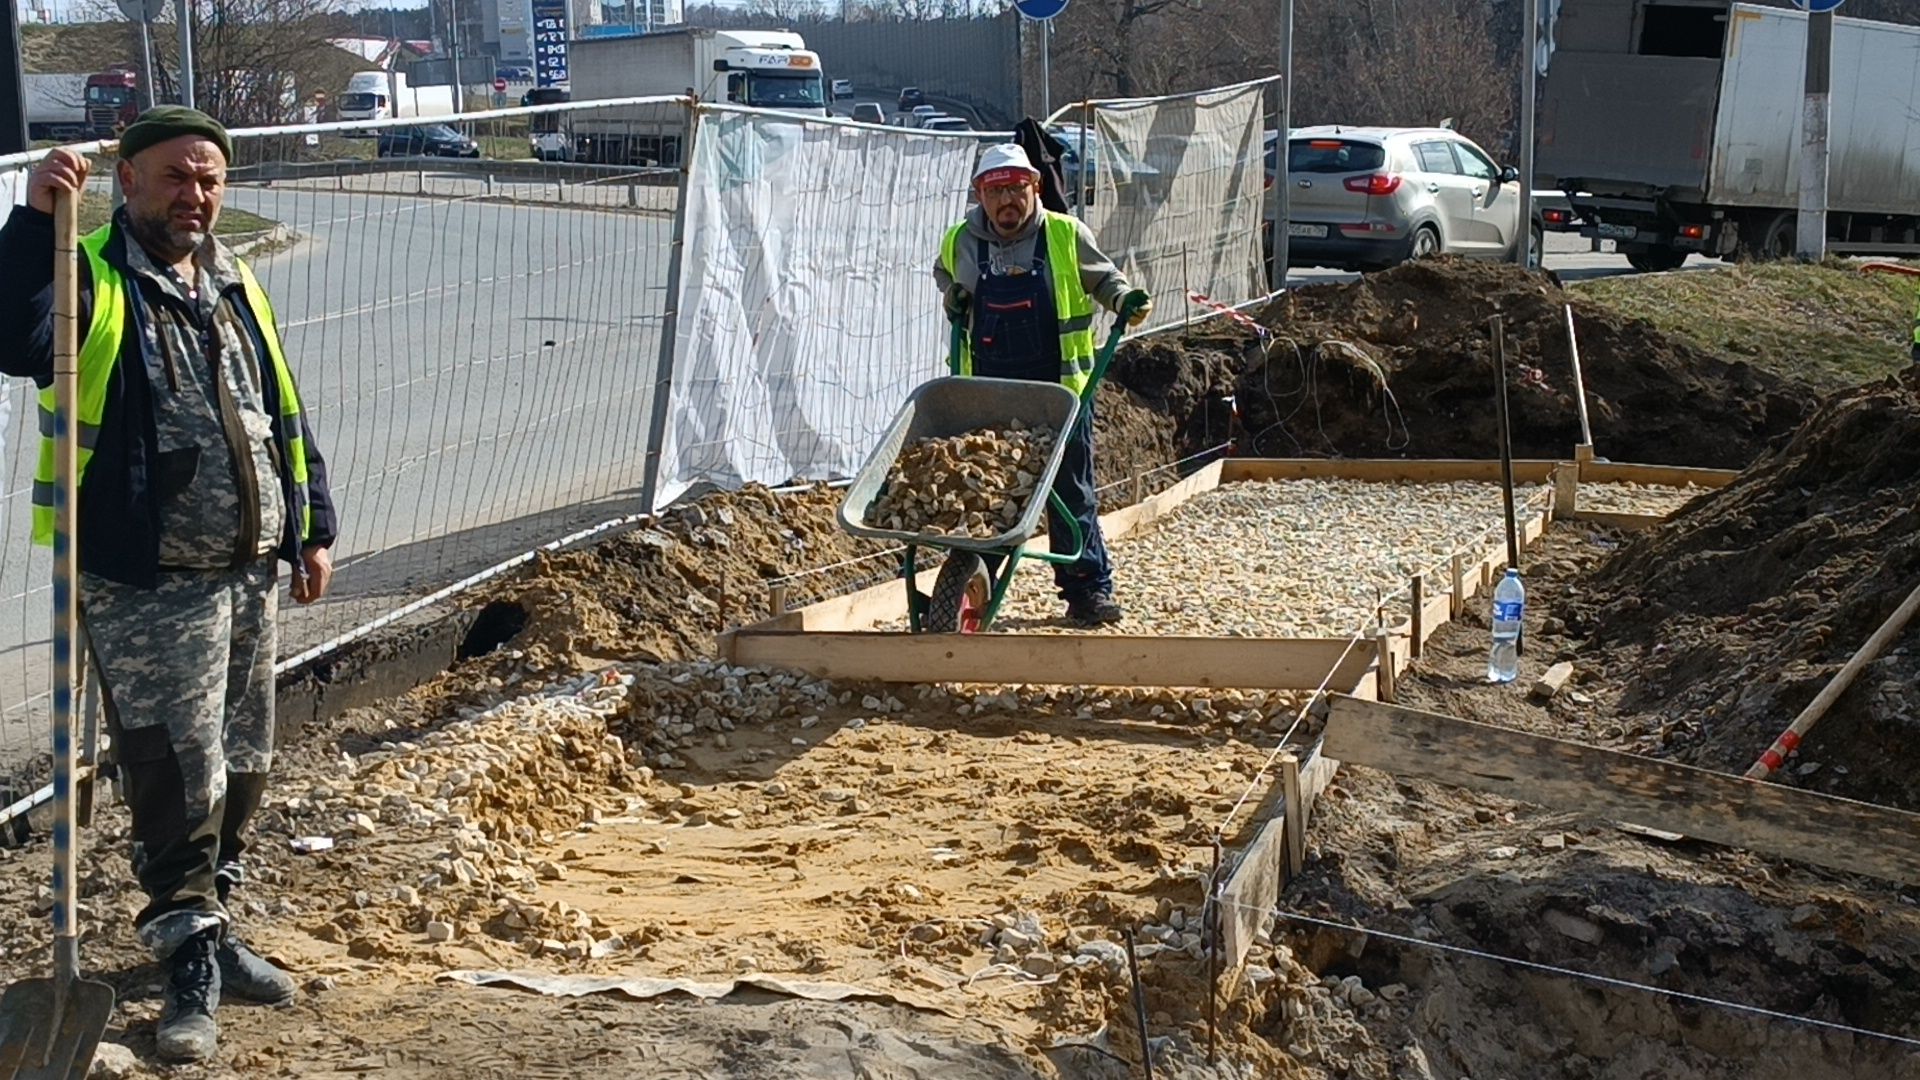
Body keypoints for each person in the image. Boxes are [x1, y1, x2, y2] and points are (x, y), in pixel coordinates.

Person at [0, 107, 338, 1063]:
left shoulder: (235, 283)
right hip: (145, 583)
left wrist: (311, 525)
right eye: (177, 177)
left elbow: (282, 409)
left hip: (247, 571)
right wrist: (34, 222)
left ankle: (214, 922)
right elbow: (15, 338)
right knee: (173, 773)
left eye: (210, 179)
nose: (196, 195)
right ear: (130, 182)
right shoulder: (95, 274)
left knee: (245, 760)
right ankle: (184, 952)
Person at [932, 143, 1150, 626]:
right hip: (990, 390)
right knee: (987, 492)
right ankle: (976, 576)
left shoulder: (1065, 235)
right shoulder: (960, 240)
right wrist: (953, 295)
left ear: (1034, 187)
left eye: (1015, 188)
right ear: (980, 196)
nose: (1006, 201)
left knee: (1071, 492)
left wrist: (1124, 300)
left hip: (1059, 392)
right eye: (995, 191)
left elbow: (1105, 279)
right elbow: (944, 272)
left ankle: (1087, 590)